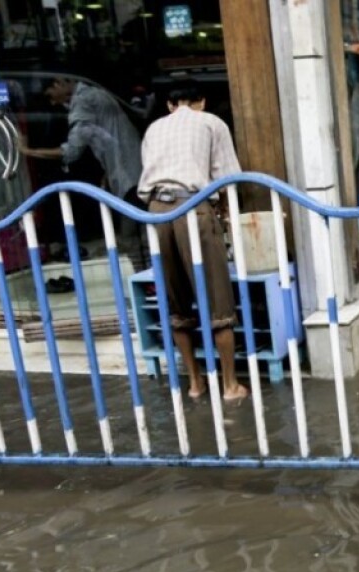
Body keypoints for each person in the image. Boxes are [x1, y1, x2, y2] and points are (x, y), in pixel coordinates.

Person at [137, 80, 247, 402]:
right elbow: (229, 179)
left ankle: (196, 384)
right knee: (217, 297)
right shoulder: (212, 122)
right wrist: (226, 217)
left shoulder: (154, 128)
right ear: (202, 101)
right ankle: (229, 386)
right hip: (193, 208)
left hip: (156, 213)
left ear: (170, 105)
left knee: (175, 301)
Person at [21, 75, 144, 264]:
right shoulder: (95, 93)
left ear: (59, 83)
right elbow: (106, 137)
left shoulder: (84, 101)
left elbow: (72, 150)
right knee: (142, 233)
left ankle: (149, 287)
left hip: (127, 175)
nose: (53, 103)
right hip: (132, 170)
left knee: (131, 238)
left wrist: (28, 151)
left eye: (51, 96)